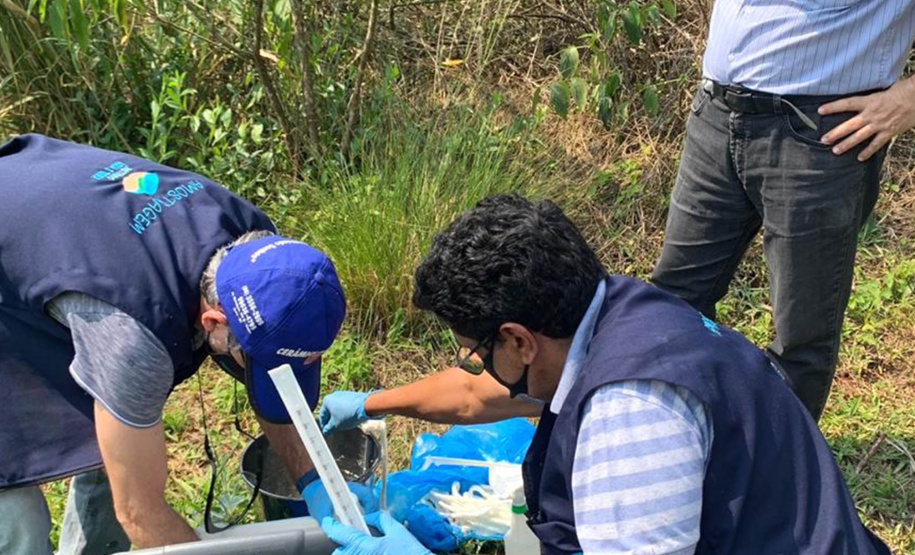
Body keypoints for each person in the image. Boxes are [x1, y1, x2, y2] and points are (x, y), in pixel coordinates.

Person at [319, 195, 889, 555]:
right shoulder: (614, 311)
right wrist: (371, 403)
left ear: (517, 340)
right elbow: (474, 394)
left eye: (475, 350)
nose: (474, 366)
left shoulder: (631, 415)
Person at [0, 134, 374, 555]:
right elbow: (139, 511)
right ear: (212, 321)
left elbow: (276, 390)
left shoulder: (266, 254)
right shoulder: (133, 339)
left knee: (116, 442)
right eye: (254, 360)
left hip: (52, 229)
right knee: (16, 520)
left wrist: (314, 483)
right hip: (31, 235)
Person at [650, 1, 915, 420]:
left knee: (799, 338)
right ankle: (676, 442)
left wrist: (907, 100)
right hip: (715, 114)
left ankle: (775, 474)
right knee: (672, 301)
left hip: (818, 134)